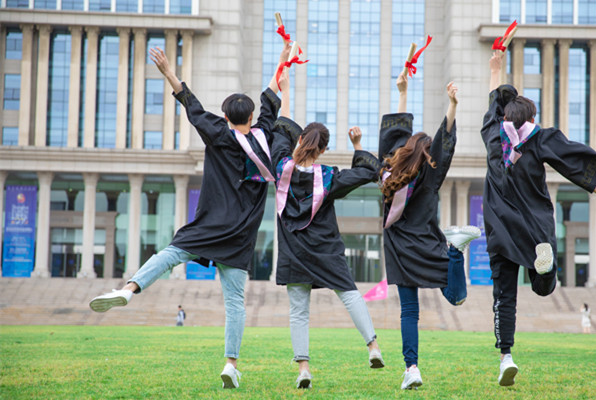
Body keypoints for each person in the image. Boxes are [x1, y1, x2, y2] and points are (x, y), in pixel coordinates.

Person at [88, 44, 291, 390]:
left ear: (226, 117)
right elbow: (273, 94)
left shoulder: (217, 133)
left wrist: (168, 70)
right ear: (251, 116)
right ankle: (230, 364)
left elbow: (190, 102)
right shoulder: (266, 137)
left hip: (211, 223)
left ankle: (130, 288)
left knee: (171, 254)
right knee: (235, 304)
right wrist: (284, 56)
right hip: (242, 234)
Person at [483, 51, 596, 387]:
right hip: (535, 227)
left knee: (504, 295)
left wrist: (495, 69)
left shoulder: (492, 135)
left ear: (503, 116)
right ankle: (544, 271)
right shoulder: (540, 138)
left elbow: (492, 103)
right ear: (531, 117)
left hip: (501, 228)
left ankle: (506, 357)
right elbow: (574, 165)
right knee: (543, 287)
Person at [272, 69, 384, 390]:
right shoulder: (330, 177)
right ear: (322, 150)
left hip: (294, 250)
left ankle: (304, 368)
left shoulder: (281, 166)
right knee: (349, 294)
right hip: (325, 249)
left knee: (298, 311)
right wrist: (358, 144)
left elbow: (282, 126)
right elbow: (367, 172)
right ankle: (372, 346)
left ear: (300, 141)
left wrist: (287, 89)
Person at [379, 73, 480, 390]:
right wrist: (452, 106)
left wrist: (403, 94)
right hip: (427, 244)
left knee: (409, 311)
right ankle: (455, 251)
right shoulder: (431, 176)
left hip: (399, 248)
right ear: (427, 156)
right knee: (456, 297)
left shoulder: (388, 174)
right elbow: (443, 145)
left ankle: (412, 369)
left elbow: (397, 135)